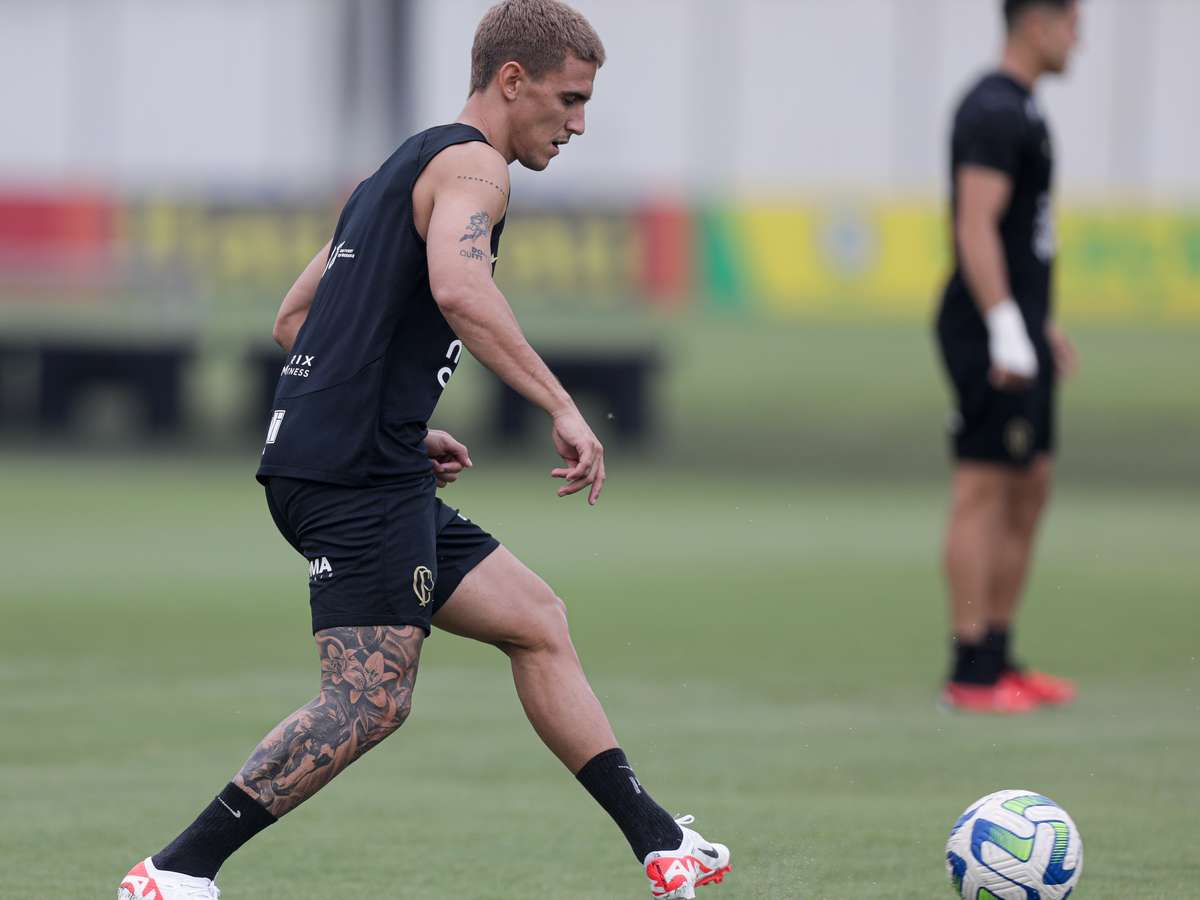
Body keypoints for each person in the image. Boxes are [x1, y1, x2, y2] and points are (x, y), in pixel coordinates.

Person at [118, 2, 730, 898]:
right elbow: (460, 287)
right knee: (368, 700)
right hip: (352, 475)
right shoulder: (478, 169)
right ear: (512, 80)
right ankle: (175, 871)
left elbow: (296, 317)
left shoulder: (397, 170)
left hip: (357, 456)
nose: (578, 124)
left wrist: (390, 412)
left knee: (535, 620)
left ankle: (661, 843)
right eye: (569, 99)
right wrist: (561, 404)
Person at [936, 0, 1082, 714]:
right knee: (984, 485)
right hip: (986, 331)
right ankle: (970, 671)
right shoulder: (992, 108)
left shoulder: (1024, 108)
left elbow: (1024, 236)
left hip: (1021, 325)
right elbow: (975, 225)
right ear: (1036, 22)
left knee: (1031, 483)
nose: (1077, 40)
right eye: (1071, 23)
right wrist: (1004, 326)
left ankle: (998, 656)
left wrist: (1038, 324)